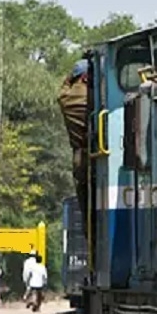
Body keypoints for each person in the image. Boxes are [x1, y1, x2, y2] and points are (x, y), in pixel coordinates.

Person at [58, 59, 90, 219]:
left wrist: (72, 76)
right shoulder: (92, 97)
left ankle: (88, 232)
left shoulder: (65, 98)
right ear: (86, 78)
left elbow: (64, 86)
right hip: (94, 153)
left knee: (83, 196)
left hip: (79, 156)